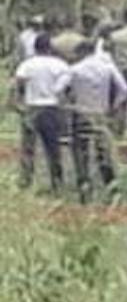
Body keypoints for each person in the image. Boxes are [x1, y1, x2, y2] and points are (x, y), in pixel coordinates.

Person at [65, 41, 127, 201]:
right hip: (101, 113)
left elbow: (58, 88)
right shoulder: (107, 67)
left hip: (81, 112)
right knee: (103, 150)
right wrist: (114, 106)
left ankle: (84, 186)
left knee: (81, 151)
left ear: (81, 53)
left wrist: (68, 104)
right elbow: (124, 89)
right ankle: (110, 185)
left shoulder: (75, 69)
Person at [15, 35, 71, 192]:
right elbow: (65, 87)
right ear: (50, 48)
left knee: (28, 147)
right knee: (53, 147)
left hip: (32, 108)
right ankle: (57, 182)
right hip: (51, 108)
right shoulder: (60, 65)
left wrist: (19, 102)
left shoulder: (27, 64)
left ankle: (25, 181)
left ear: (35, 48)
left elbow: (19, 83)